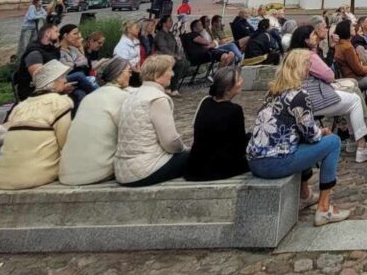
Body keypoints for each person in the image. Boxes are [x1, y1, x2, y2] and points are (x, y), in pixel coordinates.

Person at [248, 49, 350, 225]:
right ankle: (324, 208)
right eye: (307, 65)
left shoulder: (272, 92)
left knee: (301, 139)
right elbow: (311, 135)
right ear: (300, 68)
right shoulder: (298, 96)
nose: (309, 69)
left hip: (255, 161)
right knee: (333, 142)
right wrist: (322, 133)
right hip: (276, 162)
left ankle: (304, 194)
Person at [288, 25, 367, 164]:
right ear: (305, 40)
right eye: (313, 35)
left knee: (352, 94)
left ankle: (354, 140)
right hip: (313, 99)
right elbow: (328, 75)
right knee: (354, 100)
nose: (316, 36)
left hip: (298, 99)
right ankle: (362, 146)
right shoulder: (308, 56)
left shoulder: (291, 55)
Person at [0, 60, 75, 189]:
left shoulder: (20, 107)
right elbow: (65, 143)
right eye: (62, 77)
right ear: (53, 82)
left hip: (1, 178)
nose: (65, 81)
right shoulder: (60, 103)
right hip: (33, 176)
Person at [115, 54, 189, 186]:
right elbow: (171, 143)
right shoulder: (157, 99)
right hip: (144, 170)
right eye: (169, 70)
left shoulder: (132, 95)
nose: (172, 74)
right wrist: (184, 148)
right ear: (156, 75)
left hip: (123, 170)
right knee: (199, 155)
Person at [59, 56, 134, 186]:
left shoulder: (89, 97)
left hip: (66, 173)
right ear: (118, 74)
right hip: (96, 172)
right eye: (129, 72)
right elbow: (129, 134)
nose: (131, 75)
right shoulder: (123, 97)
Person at [185, 66, 250, 181]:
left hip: (195, 167)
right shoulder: (234, 110)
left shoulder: (206, 102)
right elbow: (239, 146)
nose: (242, 81)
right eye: (239, 80)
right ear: (228, 88)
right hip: (217, 169)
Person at [331, 18, 367, 119]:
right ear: (346, 30)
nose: (354, 28)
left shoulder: (342, 44)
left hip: (352, 77)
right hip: (355, 79)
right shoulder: (347, 47)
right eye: (351, 26)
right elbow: (359, 71)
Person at [13, 23, 62, 102]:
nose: (59, 34)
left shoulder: (50, 49)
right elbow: (40, 79)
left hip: (50, 85)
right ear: (47, 33)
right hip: (32, 91)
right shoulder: (34, 53)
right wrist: (59, 87)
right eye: (56, 32)